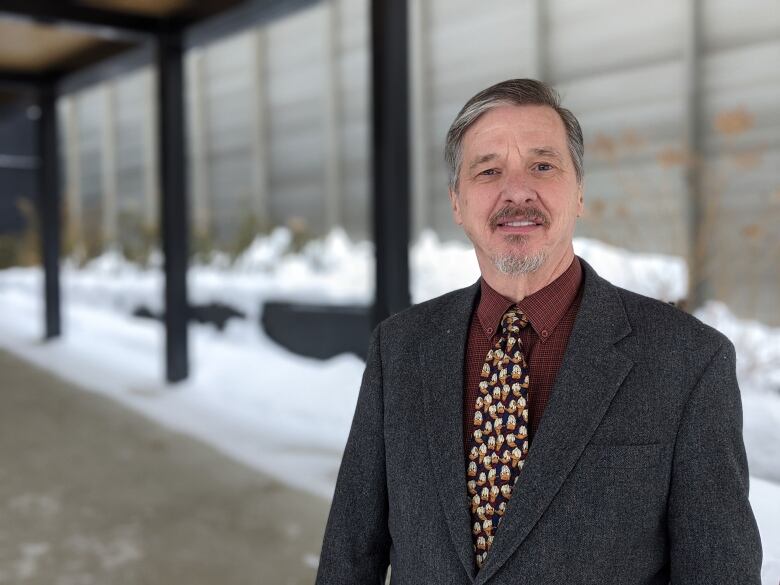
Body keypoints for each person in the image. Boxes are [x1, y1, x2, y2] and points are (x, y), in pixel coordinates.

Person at [315, 79, 762, 584]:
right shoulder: (398, 348)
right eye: (488, 171)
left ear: (579, 193)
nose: (518, 191)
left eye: (543, 166)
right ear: (457, 203)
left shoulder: (688, 362)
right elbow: (351, 555)